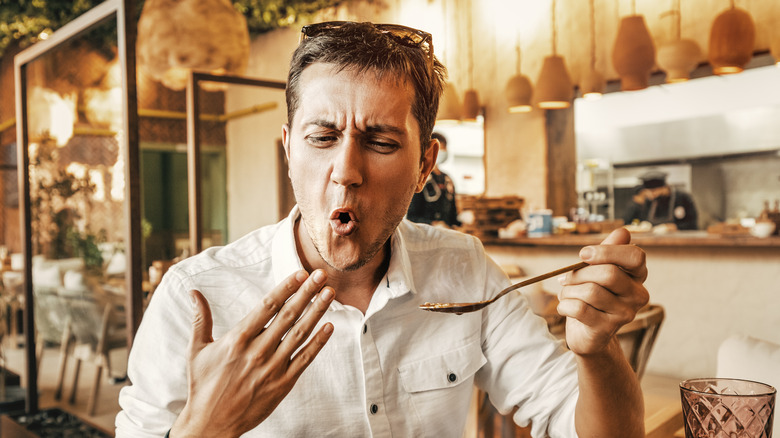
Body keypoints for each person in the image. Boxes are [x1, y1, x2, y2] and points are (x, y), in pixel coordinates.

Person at [116, 21, 649, 437]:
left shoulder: (466, 271)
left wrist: (597, 352)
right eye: (322, 137)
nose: (346, 171)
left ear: (424, 165)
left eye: (381, 142)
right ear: (288, 148)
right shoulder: (198, 296)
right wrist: (201, 430)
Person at [406, 132, 460, 227]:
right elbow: (412, 217)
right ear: (431, 150)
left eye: (445, 148)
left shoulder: (448, 180)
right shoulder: (420, 178)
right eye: (442, 148)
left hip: (445, 236)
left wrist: (460, 221)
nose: (445, 151)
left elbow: (453, 215)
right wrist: (433, 224)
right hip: (424, 236)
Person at [624, 170, 698, 230]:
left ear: (664, 187)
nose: (651, 195)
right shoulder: (649, 201)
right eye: (648, 191)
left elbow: (692, 224)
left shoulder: (683, 198)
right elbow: (643, 219)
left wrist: (674, 227)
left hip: (681, 243)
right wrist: (645, 225)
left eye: (654, 191)